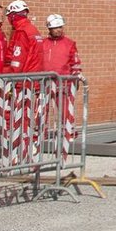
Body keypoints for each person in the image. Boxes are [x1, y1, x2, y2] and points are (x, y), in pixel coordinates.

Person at [36, 14, 83, 149]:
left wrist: (76, 77)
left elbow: (75, 62)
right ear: (49, 29)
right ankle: (39, 135)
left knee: (65, 110)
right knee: (41, 110)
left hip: (63, 83)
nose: (58, 30)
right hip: (45, 82)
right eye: (55, 28)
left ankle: (69, 133)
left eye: (60, 27)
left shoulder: (69, 44)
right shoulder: (43, 44)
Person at [3, 0, 44, 75]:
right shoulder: (33, 29)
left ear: (13, 16)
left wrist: (8, 76)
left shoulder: (21, 32)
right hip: (35, 76)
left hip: (24, 79)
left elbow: (18, 60)